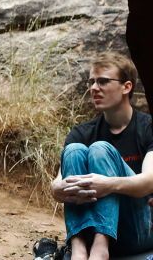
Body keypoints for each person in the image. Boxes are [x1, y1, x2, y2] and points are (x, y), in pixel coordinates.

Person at [51, 52, 153, 259]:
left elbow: (148, 182)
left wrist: (108, 184)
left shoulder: (148, 127)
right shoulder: (81, 133)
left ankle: (100, 247)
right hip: (87, 227)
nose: (94, 88)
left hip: (137, 230)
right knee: (74, 150)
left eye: (103, 81)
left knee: (100, 149)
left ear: (126, 87)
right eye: (92, 82)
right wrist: (58, 189)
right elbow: (57, 183)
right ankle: (78, 245)